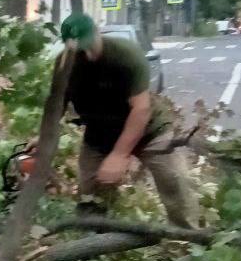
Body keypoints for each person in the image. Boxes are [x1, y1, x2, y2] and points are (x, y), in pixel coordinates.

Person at [58, 13, 199, 229]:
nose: (86, 52)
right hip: (100, 133)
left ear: (97, 32)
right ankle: (93, 243)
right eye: (78, 48)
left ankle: (190, 237)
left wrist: (119, 155)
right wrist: (42, 137)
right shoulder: (65, 63)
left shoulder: (125, 55)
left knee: (174, 181)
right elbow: (56, 104)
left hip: (149, 130)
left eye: (88, 45)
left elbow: (141, 109)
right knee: (89, 192)